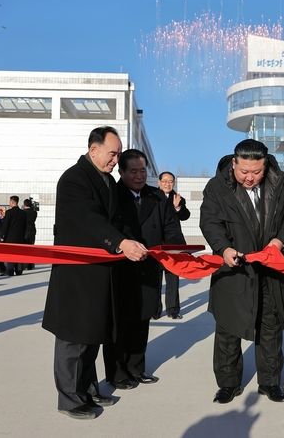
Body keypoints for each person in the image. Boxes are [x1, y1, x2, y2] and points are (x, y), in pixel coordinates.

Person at [42, 126, 148, 420]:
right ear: (94, 150)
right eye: (113, 153)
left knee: (92, 335)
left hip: (100, 272)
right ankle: (70, 399)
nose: (116, 159)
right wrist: (121, 242)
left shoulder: (107, 181)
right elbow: (89, 220)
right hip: (78, 274)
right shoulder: (74, 179)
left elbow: (119, 219)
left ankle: (87, 389)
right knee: (73, 338)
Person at [200, 139, 284, 404]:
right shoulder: (217, 187)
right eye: (244, 171)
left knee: (270, 326)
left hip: (271, 270)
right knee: (228, 328)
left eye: (256, 172)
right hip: (234, 269)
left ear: (266, 166)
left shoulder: (282, 184)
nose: (249, 178)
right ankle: (228, 384)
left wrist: (279, 242)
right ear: (234, 163)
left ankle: (270, 383)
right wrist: (222, 248)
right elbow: (209, 221)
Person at [103, 149, 184, 390]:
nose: (139, 176)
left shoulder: (157, 197)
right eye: (133, 171)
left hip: (149, 268)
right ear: (122, 171)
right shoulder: (112, 195)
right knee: (120, 322)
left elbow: (171, 227)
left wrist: (177, 250)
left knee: (142, 319)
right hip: (119, 268)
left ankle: (137, 369)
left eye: (143, 171)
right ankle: (117, 373)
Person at [156, 171, 190, 319]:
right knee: (155, 279)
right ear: (159, 182)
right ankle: (155, 310)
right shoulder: (151, 197)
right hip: (156, 243)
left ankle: (173, 310)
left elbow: (185, 215)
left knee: (172, 278)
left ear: (173, 183)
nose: (167, 184)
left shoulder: (178, 198)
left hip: (173, 244)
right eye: (164, 181)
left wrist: (177, 208)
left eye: (170, 181)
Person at [1, 195, 27, 276]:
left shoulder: (9, 212)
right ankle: (19, 270)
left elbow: (5, 225)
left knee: (10, 254)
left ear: (12, 202)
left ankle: (10, 270)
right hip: (20, 237)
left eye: (9, 202)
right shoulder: (23, 213)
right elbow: (25, 226)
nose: (9, 203)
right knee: (19, 253)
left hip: (10, 237)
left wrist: (2, 235)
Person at [23, 198, 38, 270]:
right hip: (32, 230)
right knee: (31, 247)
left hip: (25, 231)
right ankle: (31, 265)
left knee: (25, 248)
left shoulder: (23, 212)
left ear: (24, 204)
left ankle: (25, 265)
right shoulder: (34, 212)